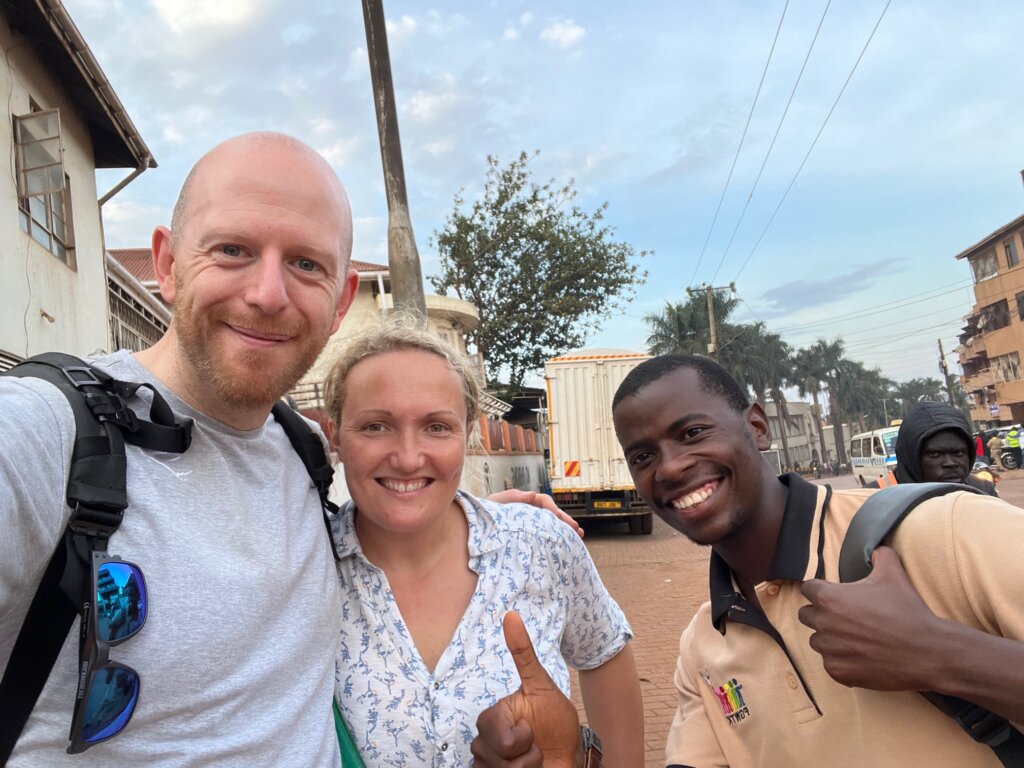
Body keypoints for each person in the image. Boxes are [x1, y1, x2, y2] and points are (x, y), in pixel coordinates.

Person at [0, 132, 572, 766]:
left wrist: (480, 518)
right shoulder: (45, 433)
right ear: (166, 265)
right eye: (233, 250)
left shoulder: (300, 451)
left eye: (305, 264)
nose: (268, 294)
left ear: (340, 299)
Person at [472, 353, 1024, 768]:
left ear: (756, 427)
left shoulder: (940, 531)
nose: (668, 468)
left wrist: (942, 655)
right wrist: (580, 759)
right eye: (643, 456)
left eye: (692, 432)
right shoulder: (703, 649)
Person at [323, 320, 643, 767]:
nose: (409, 457)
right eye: (376, 426)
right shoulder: (304, 566)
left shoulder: (539, 545)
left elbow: (603, 652)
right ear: (335, 435)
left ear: (468, 433)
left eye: (437, 427)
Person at [872, 401, 997, 496]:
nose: (950, 463)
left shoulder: (983, 492)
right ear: (912, 457)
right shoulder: (871, 499)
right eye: (935, 454)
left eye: (959, 453)